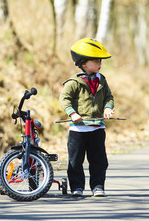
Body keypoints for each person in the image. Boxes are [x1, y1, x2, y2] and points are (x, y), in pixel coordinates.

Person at [59, 38, 114, 197]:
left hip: (97, 128)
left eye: (100, 61)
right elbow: (64, 99)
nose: (100, 64)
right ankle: (77, 187)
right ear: (83, 63)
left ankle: (98, 186)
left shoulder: (101, 80)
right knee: (75, 161)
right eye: (96, 60)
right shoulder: (74, 82)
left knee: (99, 160)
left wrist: (108, 108)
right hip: (78, 129)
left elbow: (109, 97)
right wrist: (72, 113)